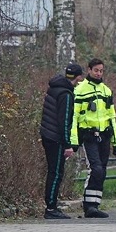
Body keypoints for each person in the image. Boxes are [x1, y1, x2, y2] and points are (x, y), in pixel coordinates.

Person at [70, 58, 116, 218]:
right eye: (96, 70)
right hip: (89, 135)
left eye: (101, 71)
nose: (99, 73)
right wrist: (74, 140)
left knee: (102, 171)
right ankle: (88, 205)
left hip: (104, 134)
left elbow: (112, 117)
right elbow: (74, 117)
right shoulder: (80, 90)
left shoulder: (106, 91)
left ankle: (95, 205)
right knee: (96, 169)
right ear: (89, 70)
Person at [40, 63, 84, 219]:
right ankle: (51, 208)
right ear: (78, 77)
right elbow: (64, 121)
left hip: (47, 134)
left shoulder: (54, 88)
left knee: (53, 170)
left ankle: (51, 204)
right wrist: (67, 144)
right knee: (56, 172)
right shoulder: (66, 94)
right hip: (55, 138)